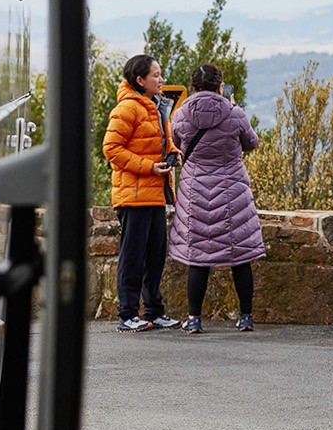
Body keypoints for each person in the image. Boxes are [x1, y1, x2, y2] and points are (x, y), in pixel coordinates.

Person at [168, 63, 266, 334]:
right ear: (220, 86)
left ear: (193, 87)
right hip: (232, 188)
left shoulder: (181, 115)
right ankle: (246, 317)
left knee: (197, 256)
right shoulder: (234, 113)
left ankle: (194, 319)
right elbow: (251, 143)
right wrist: (233, 109)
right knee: (240, 255)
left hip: (194, 189)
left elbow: (177, 140)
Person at [103, 54, 179, 332]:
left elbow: (161, 143)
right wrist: (148, 167)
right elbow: (111, 149)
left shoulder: (156, 107)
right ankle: (127, 314)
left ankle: (154, 311)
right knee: (133, 257)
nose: (161, 80)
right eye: (156, 75)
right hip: (133, 196)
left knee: (156, 255)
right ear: (140, 80)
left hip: (156, 193)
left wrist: (172, 154)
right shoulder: (127, 109)